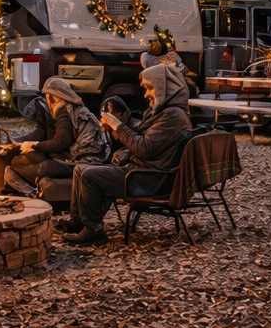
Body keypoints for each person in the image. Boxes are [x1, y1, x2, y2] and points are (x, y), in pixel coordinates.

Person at [63, 64, 192, 245]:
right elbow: (143, 134)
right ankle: (78, 223)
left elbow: (143, 148)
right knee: (79, 169)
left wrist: (118, 125)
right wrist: (121, 122)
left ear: (164, 86)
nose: (146, 94)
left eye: (149, 87)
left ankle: (94, 229)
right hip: (142, 171)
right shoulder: (166, 111)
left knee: (89, 176)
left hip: (148, 179)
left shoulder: (173, 116)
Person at [0, 78, 107, 196]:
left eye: (47, 96)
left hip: (86, 161)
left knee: (43, 167)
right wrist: (21, 142)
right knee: (35, 159)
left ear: (54, 97)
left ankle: (23, 187)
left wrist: (35, 146)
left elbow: (61, 142)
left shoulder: (64, 111)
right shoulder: (71, 108)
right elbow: (41, 133)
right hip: (93, 157)